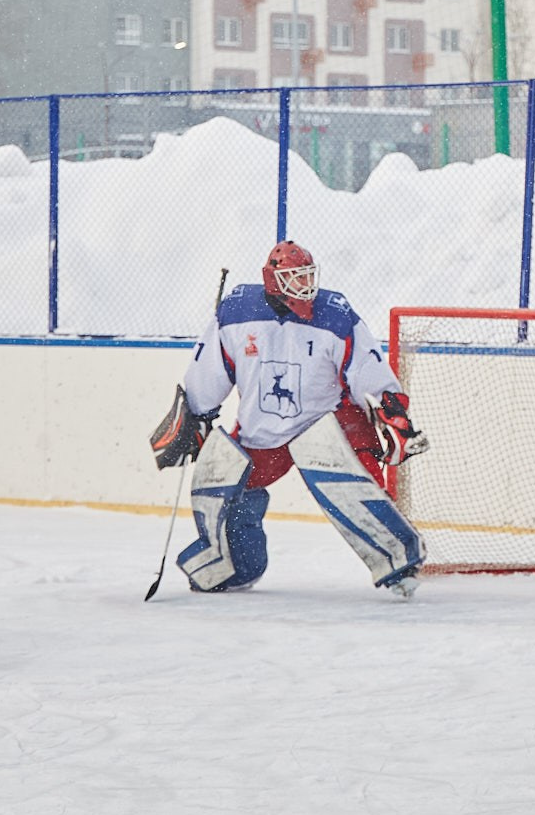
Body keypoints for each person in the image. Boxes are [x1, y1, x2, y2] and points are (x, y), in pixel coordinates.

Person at [148, 241, 429, 598]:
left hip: (329, 422)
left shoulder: (335, 313)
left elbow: (366, 367)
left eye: (309, 275)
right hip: (262, 428)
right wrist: (196, 416)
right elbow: (209, 372)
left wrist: (393, 411)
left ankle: (400, 561)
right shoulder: (235, 313)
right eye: (296, 278)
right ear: (272, 280)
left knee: (358, 485)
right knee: (224, 480)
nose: (306, 284)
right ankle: (234, 566)